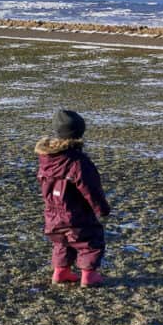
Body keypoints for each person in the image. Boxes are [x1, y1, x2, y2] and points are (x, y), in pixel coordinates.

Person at [35, 109, 110, 287]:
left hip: (52, 212)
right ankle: (89, 275)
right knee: (89, 240)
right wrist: (102, 209)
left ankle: (61, 272)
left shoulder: (47, 160)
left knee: (61, 241)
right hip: (77, 213)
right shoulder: (78, 162)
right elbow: (90, 189)